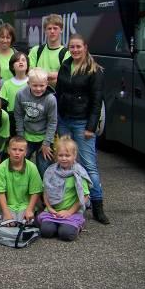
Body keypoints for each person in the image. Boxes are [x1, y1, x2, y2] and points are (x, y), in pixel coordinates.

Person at [56, 33, 109, 224]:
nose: (75, 50)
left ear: (85, 47)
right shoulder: (65, 65)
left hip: (82, 123)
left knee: (89, 166)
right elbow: (59, 92)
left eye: (78, 46)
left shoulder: (95, 70)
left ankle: (97, 206)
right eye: (72, 47)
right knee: (66, 162)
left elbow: (97, 101)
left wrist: (91, 127)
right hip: (64, 119)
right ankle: (68, 202)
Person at [38, 136, 92, 241]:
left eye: (67, 155)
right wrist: (49, 208)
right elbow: (46, 191)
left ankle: (74, 225)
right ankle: (56, 224)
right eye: (60, 155)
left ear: (74, 155)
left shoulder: (79, 173)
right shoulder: (50, 171)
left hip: (71, 212)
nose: (64, 158)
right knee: (46, 232)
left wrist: (69, 212)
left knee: (66, 234)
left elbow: (85, 196)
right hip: (53, 211)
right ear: (56, 156)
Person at [14, 67, 58, 176]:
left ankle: (45, 192)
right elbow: (18, 115)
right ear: (28, 83)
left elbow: (52, 122)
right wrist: (20, 136)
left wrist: (47, 143)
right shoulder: (20, 95)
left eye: (42, 85)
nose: (38, 89)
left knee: (44, 169)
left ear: (47, 83)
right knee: (20, 166)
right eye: (35, 85)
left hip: (44, 138)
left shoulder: (50, 99)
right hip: (26, 136)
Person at [0, 136, 43, 223]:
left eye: (21, 150)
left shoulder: (32, 167)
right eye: (14, 149)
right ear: (8, 150)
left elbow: (36, 191)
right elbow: (0, 192)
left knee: (24, 225)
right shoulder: (1, 168)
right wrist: (6, 213)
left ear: (25, 152)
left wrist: (29, 209)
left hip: (25, 206)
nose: (17, 153)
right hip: (8, 206)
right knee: (9, 225)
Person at [28, 14, 70, 88]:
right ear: (45, 30)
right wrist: (53, 76)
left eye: (55, 28)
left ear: (61, 30)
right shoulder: (36, 50)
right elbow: (29, 73)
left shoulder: (67, 53)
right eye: (49, 28)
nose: (52, 31)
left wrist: (39, 75)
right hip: (36, 95)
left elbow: (64, 77)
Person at [0, 51, 29, 135]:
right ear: (12, 66)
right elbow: (2, 104)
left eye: (23, 60)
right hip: (11, 121)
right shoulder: (6, 84)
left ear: (27, 65)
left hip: (29, 119)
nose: (21, 62)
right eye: (17, 60)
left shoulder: (32, 82)